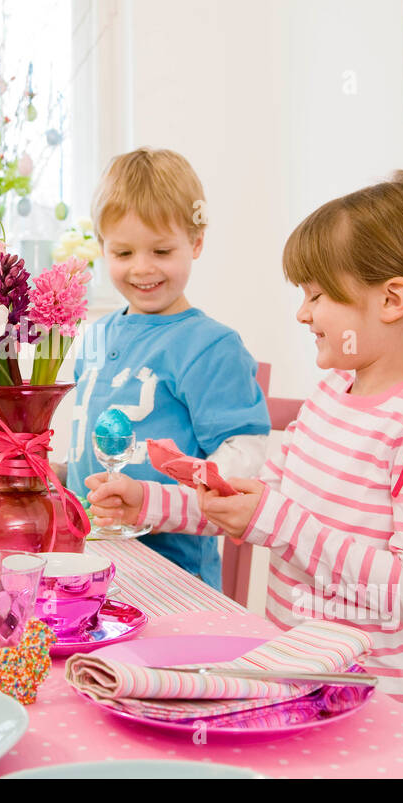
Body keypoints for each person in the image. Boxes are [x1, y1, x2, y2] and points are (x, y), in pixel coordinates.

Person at [87, 170, 403, 715]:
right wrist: (151, 501)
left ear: (392, 300)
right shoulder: (333, 392)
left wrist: (280, 523)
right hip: (292, 680)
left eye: (317, 295)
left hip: (365, 704)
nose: (303, 312)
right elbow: (254, 501)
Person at [64, 148, 271, 588]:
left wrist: (157, 502)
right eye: (122, 252)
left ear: (196, 242)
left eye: (161, 250)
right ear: (101, 248)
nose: (142, 268)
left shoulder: (212, 346)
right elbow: (93, 449)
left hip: (175, 580)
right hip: (89, 565)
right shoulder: (95, 337)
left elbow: (242, 461)